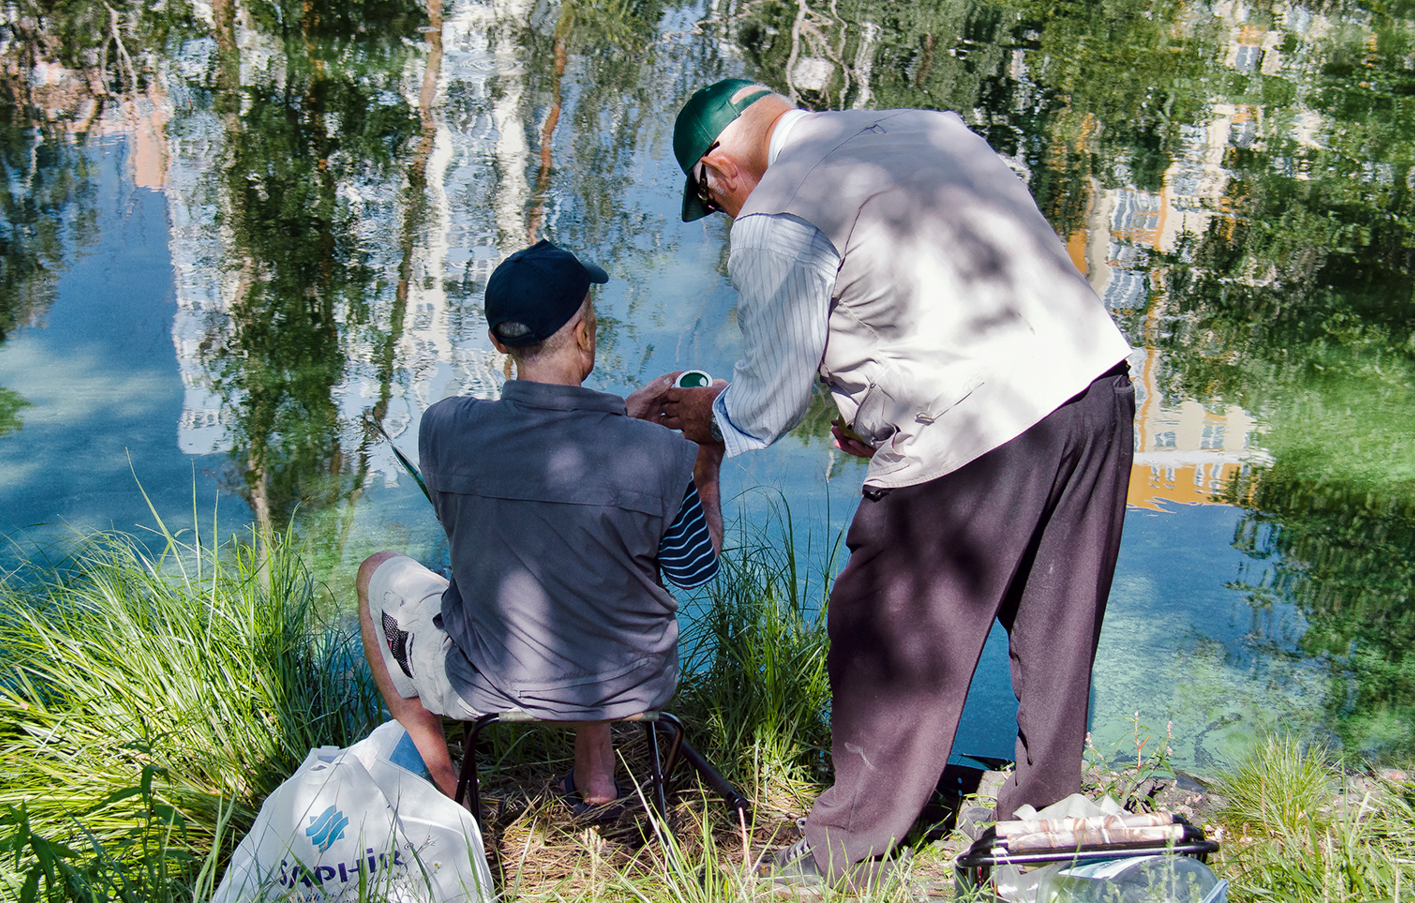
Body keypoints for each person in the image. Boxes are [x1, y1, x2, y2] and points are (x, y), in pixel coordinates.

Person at [647, 79, 1136, 887]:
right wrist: (874, 412)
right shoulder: (922, 125)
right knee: (1058, 609)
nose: (727, 215)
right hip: (1093, 379)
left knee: (879, 620)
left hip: (980, 415)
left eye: (714, 202)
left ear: (717, 170)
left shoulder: (775, 214)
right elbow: (931, 294)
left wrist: (695, 414)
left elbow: (762, 405)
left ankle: (848, 846)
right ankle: (1047, 802)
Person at [357, 240, 723, 816]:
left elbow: (530, 479)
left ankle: (445, 780)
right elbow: (695, 571)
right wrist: (705, 461)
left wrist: (617, 420)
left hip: (487, 683)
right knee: (592, 574)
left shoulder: (445, 429)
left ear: (499, 342)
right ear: (584, 334)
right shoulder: (658, 455)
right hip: (630, 684)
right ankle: (595, 780)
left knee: (376, 570)